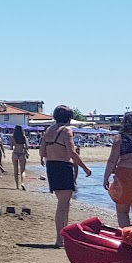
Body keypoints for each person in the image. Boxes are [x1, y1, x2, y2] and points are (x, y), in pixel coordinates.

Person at [40, 105, 92, 246]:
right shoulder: (66, 130)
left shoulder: (48, 130)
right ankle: (60, 239)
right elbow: (72, 153)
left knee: (62, 204)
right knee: (63, 205)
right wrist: (85, 168)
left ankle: (61, 237)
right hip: (63, 166)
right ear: (69, 118)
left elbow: (42, 152)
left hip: (51, 166)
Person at [10, 125, 29, 190]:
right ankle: (22, 183)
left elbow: (11, 147)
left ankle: (17, 186)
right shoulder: (24, 137)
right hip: (22, 153)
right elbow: (27, 146)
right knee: (22, 170)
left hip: (15, 153)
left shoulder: (13, 137)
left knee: (15, 170)